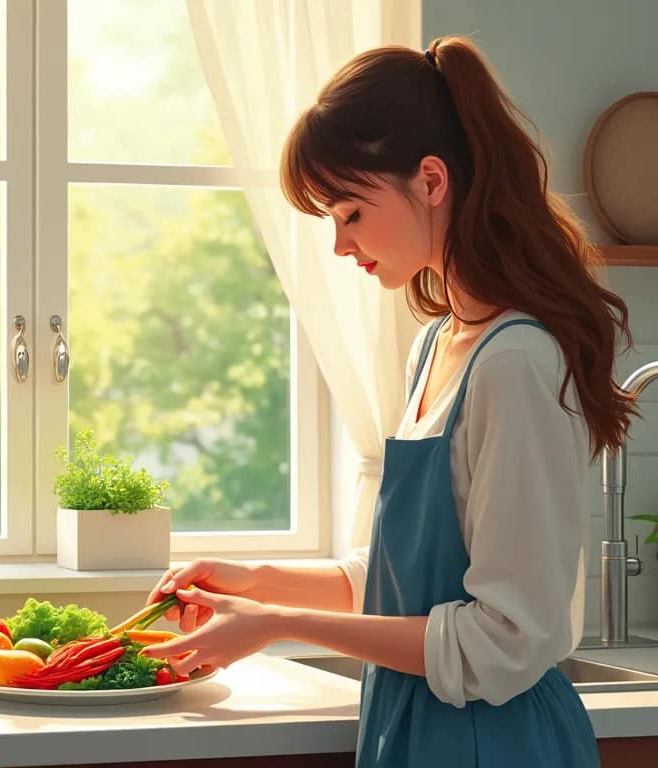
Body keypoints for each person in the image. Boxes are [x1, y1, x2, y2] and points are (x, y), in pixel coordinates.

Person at [139, 35, 636, 767]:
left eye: (351, 213)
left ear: (431, 181)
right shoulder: (437, 345)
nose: (341, 245)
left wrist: (272, 622)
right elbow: (411, 579)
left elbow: (504, 640)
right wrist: (256, 580)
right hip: (414, 730)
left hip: (492, 745)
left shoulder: (517, 364)